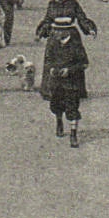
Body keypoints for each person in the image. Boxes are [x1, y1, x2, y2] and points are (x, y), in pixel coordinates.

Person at [43, 13, 89, 146]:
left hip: (72, 82)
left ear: (67, 31)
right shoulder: (53, 44)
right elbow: (48, 59)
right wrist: (51, 68)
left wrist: (69, 70)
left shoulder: (76, 46)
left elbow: (84, 63)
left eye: (59, 30)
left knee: (72, 106)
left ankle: (73, 134)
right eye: (55, 30)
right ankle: (59, 121)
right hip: (56, 81)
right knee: (56, 104)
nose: (56, 33)